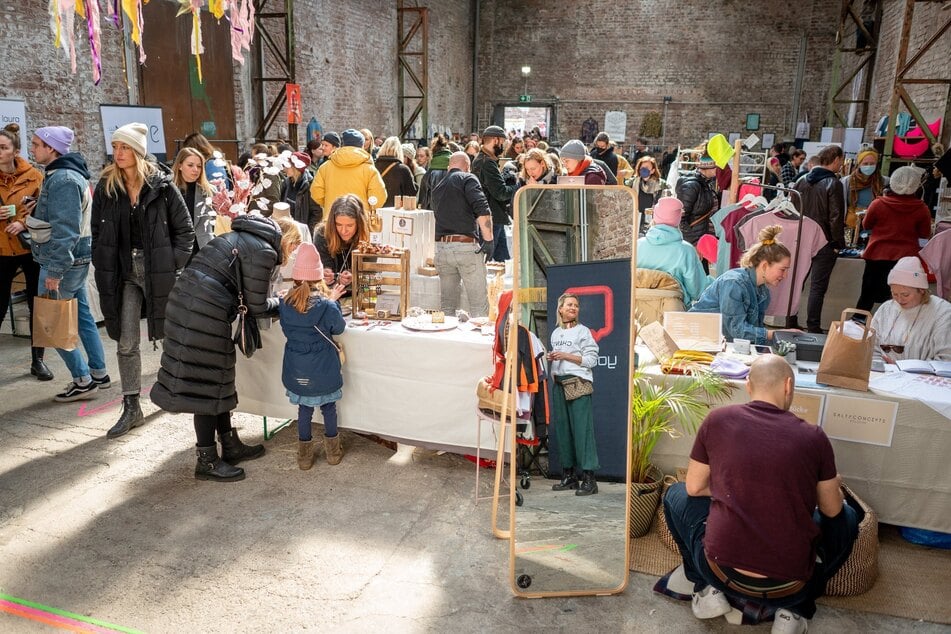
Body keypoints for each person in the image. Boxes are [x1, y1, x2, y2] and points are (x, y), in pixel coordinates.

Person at [663, 354, 857, 634]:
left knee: (676, 494)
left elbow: (694, 487)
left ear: (749, 386)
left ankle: (705, 590)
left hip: (719, 571)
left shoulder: (717, 419)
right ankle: (795, 610)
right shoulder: (814, 437)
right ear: (789, 386)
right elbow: (831, 510)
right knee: (847, 517)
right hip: (791, 584)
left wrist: (731, 491)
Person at [150, 214, 282, 481]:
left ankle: (230, 445)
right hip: (202, 314)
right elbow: (257, 307)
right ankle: (207, 461)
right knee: (205, 385)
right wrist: (283, 303)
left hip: (187, 305)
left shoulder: (235, 237)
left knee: (218, 378)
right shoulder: (264, 250)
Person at [91, 123, 195, 438]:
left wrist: (172, 265)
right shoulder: (107, 188)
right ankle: (132, 405)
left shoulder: (161, 186)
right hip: (123, 272)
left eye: (124, 147)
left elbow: (185, 231)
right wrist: (102, 261)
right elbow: (97, 232)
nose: (118, 153)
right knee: (126, 342)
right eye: (115, 147)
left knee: (172, 333)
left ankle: (179, 388)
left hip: (157, 269)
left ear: (137, 151)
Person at [29, 126, 111, 402]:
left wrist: (54, 270)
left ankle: (82, 380)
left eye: (37, 144)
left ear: (51, 148)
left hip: (63, 259)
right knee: (82, 316)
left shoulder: (62, 179)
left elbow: (66, 229)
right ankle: (99, 372)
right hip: (76, 256)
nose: (33, 148)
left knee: (52, 321)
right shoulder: (69, 174)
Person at [278, 242, 347, 470]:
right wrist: (333, 301)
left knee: (304, 410)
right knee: (328, 408)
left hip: (297, 367)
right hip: (323, 367)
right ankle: (333, 453)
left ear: (295, 278)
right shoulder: (327, 306)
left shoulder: (285, 303)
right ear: (319, 278)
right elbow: (338, 329)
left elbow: (287, 330)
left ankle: (305, 457)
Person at [0, 123, 51, 380]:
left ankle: (38, 360)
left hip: (30, 248)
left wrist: (23, 221)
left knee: (37, 305)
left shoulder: (34, 176)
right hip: (1, 250)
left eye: (3, 147)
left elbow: (44, 212)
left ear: (15, 151)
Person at [690, 225, 799, 345]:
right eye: (783, 269)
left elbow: (750, 334)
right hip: (698, 342)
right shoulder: (734, 283)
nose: (785, 276)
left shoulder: (763, 291)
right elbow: (737, 331)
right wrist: (776, 334)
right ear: (764, 265)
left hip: (720, 343)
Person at [855, 166, 931, 312]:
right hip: (906, 259)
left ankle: (857, 328)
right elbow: (924, 233)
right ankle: (896, 330)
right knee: (900, 299)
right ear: (916, 185)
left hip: (877, 254)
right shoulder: (922, 208)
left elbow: (866, 224)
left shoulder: (878, 204)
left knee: (866, 296)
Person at [547, 293, 600, 496]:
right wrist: (554, 359)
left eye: (576, 305)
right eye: (569, 304)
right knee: (564, 431)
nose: (573, 308)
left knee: (582, 431)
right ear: (560, 309)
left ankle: (589, 479)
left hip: (577, 382)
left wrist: (566, 355)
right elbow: (558, 359)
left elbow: (591, 359)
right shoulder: (555, 333)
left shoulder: (583, 331)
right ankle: (569, 476)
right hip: (559, 384)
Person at [430, 152, 493, 316]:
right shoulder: (468, 178)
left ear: (449, 166)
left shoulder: (438, 186)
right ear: (467, 166)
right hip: (465, 246)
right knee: (479, 307)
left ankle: (447, 340)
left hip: (442, 249)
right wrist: (489, 240)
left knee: (447, 308)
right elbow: (482, 209)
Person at [794, 144, 846, 333]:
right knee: (817, 286)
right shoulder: (834, 183)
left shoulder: (800, 181)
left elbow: (792, 211)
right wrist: (837, 243)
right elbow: (836, 216)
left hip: (801, 240)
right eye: (841, 161)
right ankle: (813, 326)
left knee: (796, 283)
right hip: (824, 241)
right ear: (836, 160)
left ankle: (790, 321)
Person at [870, 256, 951, 362]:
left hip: (924, 377)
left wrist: (905, 369)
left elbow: (946, 357)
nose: (899, 299)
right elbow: (871, 348)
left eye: (905, 294)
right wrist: (881, 367)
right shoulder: (886, 309)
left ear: (921, 290)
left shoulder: (943, 312)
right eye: (894, 294)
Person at [636, 197, 710, 307]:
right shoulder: (686, 250)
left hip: (637, 310)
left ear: (654, 217)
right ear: (678, 219)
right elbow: (698, 291)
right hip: (672, 313)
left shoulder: (637, 245)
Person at [310, 128, 386, 214]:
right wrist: (366, 208)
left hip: (332, 217)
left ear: (342, 145)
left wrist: (329, 203)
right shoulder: (369, 169)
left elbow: (316, 192)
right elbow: (379, 198)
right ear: (361, 146)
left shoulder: (325, 167)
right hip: (359, 218)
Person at [472, 126, 517, 262]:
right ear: (495, 140)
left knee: (502, 260)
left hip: (493, 215)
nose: (503, 146)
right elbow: (501, 193)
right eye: (502, 142)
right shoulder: (487, 162)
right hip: (491, 216)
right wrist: (518, 185)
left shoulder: (483, 159)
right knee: (488, 259)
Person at [315, 194, 368, 294]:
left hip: (360, 295)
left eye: (350, 225)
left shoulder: (368, 236)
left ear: (359, 223)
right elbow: (322, 265)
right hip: (329, 296)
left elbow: (370, 274)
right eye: (338, 225)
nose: (344, 231)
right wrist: (326, 273)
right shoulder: (322, 234)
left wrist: (355, 276)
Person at [171, 147, 215, 256]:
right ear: (180, 166)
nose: (195, 169)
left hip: (203, 249)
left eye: (199, 166)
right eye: (190, 165)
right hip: (177, 249)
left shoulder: (209, 191)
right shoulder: (169, 190)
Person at [841, 148, 889, 246]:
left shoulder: (884, 182)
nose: (869, 166)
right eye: (865, 163)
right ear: (859, 164)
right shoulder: (847, 182)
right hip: (851, 225)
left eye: (872, 164)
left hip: (875, 225)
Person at [675, 154, 719, 247]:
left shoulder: (707, 183)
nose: (718, 170)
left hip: (703, 239)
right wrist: (693, 244)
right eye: (716, 167)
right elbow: (681, 218)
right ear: (709, 168)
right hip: (695, 241)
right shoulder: (692, 186)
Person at [279, 151, 320, 232]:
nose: (285, 168)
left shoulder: (309, 186)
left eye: (288, 166)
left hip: (301, 232)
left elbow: (316, 213)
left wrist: (308, 232)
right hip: (286, 230)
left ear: (296, 168)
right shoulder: (286, 183)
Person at [374, 136, 417, 207]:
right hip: (395, 212)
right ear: (399, 151)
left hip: (376, 210)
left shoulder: (373, 166)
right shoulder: (403, 169)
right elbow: (411, 194)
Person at [629, 155, 668, 223]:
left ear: (652, 170)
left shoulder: (660, 184)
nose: (644, 169)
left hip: (654, 218)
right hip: (636, 217)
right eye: (642, 167)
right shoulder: (632, 182)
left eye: (647, 167)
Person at [418, 134, 452, 209]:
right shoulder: (455, 170)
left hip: (433, 213)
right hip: (452, 214)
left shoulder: (429, 174)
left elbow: (423, 199)